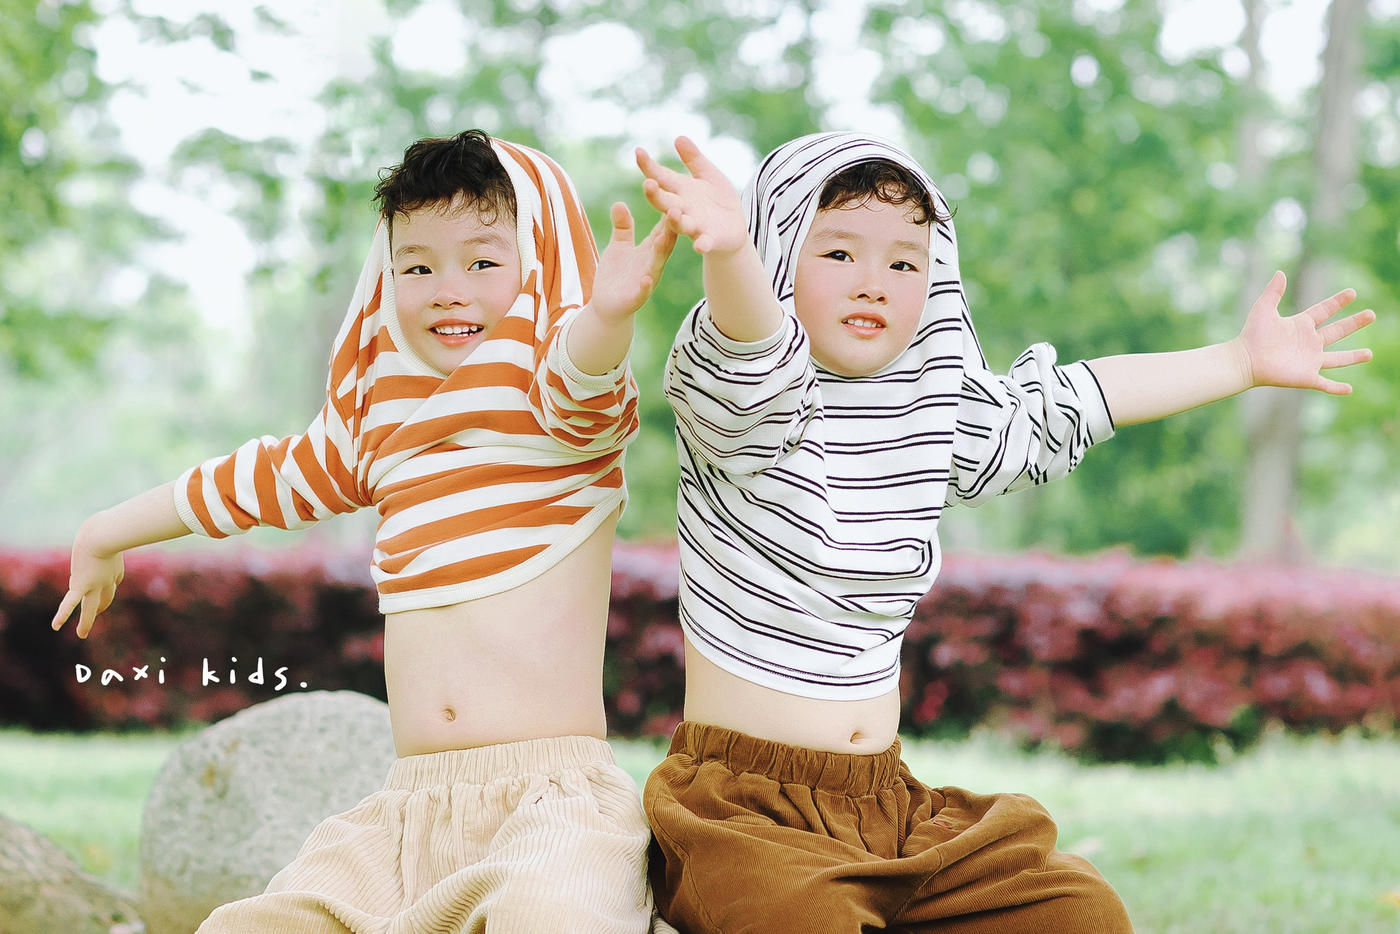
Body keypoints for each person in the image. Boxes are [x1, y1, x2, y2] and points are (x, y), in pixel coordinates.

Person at [635, 131, 1375, 933]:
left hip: (884, 804)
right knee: (801, 918)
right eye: (839, 253)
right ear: (778, 255)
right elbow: (751, 352)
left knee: (1077, 912)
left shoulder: (932, 406)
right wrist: (732, 257)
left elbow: (1070, 404)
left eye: (904, 263)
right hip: (745, 811)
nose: (874, 283)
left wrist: (1237, 361)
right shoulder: (746, 404)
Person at [52, 129, 678, 934]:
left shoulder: (556, 407)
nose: (448, 290)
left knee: (548, 917)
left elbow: (587, 370)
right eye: (417, 267)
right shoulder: (380, 427)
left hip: (550, 803)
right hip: (406, 812)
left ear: (540, 270)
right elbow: (260, 480)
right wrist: (108, 531)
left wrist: (606, 314)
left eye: (482, 262)